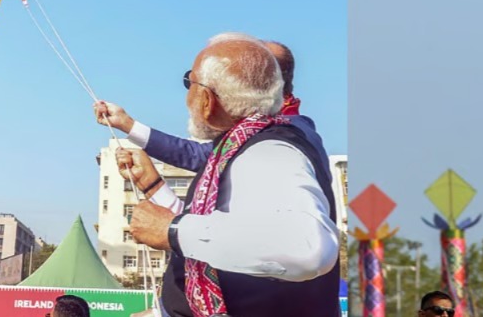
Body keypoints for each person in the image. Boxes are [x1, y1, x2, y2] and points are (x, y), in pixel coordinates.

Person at [94, 34, 340, 317]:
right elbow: (221, 226)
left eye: (190, 81)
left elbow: (307, 248)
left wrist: (172, 231)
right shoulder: (240, 145)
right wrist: (153, 184)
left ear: (208, 99)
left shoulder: (272, 148)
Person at [110, 38, 311, 173]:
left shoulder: (282, 138)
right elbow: (199, 155)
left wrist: (171, 229)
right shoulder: (254, 132)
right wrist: (126, 124)